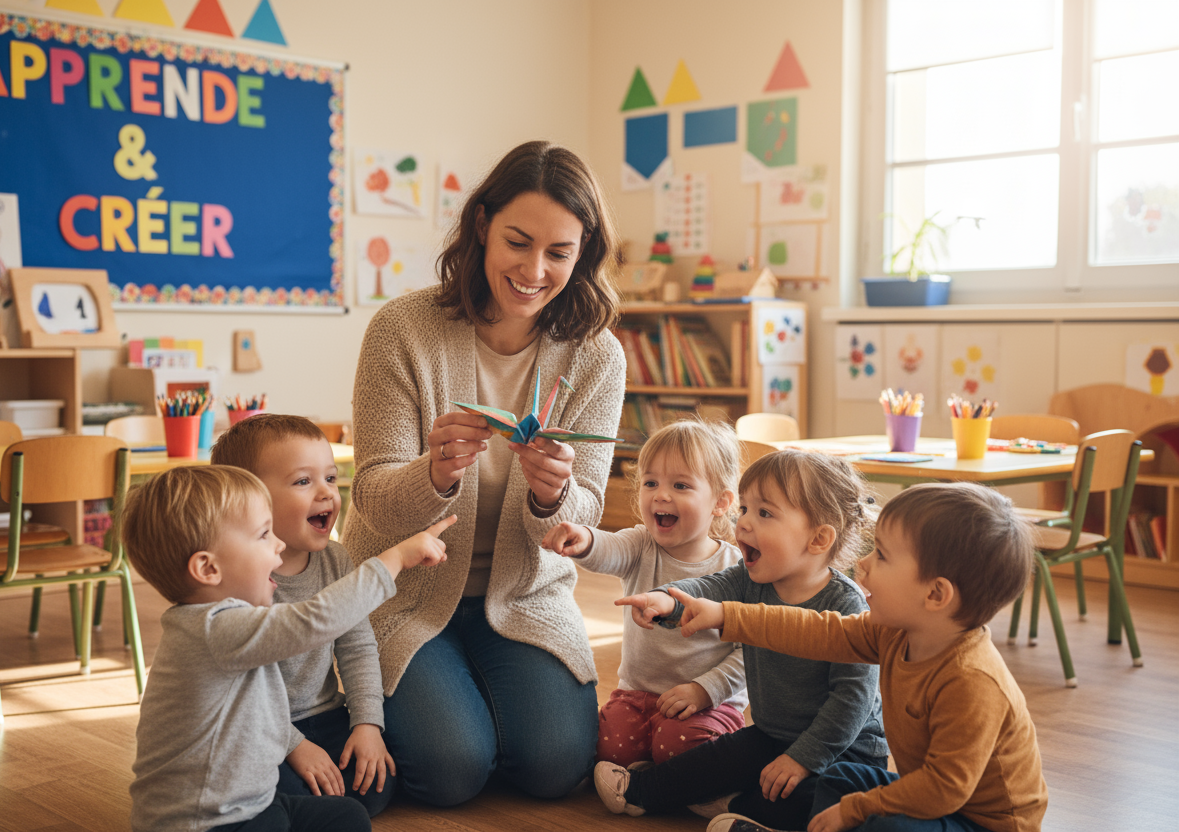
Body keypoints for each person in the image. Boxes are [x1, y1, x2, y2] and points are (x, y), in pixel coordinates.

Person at [343, 139, 626, 807]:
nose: (534, 270)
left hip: (524, 599)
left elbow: (584, 516)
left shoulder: (596, 356)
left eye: (559, 253)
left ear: (583, 254)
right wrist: (435, 474)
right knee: (449, 773)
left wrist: (554, 493)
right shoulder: (401, 331)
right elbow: (370, 495)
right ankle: (374, 693)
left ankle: (466, 700)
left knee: (556, 768)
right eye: (518, 243)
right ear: (481, 228)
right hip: (405, 597)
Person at [676, 482, 1047, 832]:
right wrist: (728, 615)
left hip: (981, 823)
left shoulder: (972, 681)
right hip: (940, 803)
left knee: (879, 821)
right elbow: (818, 631)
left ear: (936, 595)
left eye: (882, 555)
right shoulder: (895, 633)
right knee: (843, 778)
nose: (864, 565)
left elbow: (943, 789)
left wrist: (856, 809)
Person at [120, 465, 451, 832]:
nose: (278, 543)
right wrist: (396, 558)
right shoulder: (214, 628)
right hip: (206, 823)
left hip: (253, 802)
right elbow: (316, 620)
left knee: (350, 817)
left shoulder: (224, 624)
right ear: (208, 568)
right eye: (263, 535)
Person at [596, 450, 889, 831]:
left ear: (818, 539)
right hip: (772, 734)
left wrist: (802, 759)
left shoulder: (845, 605)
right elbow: (706, 588)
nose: (743, 522)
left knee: (814, 800)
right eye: (745, 508)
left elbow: (852, 702)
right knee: (712, 761)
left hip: (844, 752)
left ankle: (743, 807)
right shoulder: (751, 579)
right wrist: (666, 599)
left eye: (764, 513)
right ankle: (640, 791)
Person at [210, 414, 395, 815]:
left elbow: (358, 648)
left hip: (327, 715)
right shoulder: (240, 580)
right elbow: (240, 692)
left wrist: (367, 725)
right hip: (259, 727)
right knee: (297, 793)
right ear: (251, 501)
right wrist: (293, 746)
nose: (326, 493)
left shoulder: (337, 560)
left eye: (330, 477)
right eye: (303, 481)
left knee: (377, 787)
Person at [542, 419, 748, 767]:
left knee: (679, 750)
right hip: (637, 695)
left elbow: (750, 654)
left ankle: (661, 781)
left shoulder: (737, 568)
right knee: (612, 751)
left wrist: (705, 690)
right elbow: (610, 547)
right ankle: (645, 778)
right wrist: (585, 538)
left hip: (709, 701)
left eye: (681, 485)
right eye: (650, 482)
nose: (661, 495)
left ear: (721, 502)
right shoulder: (641, 544)